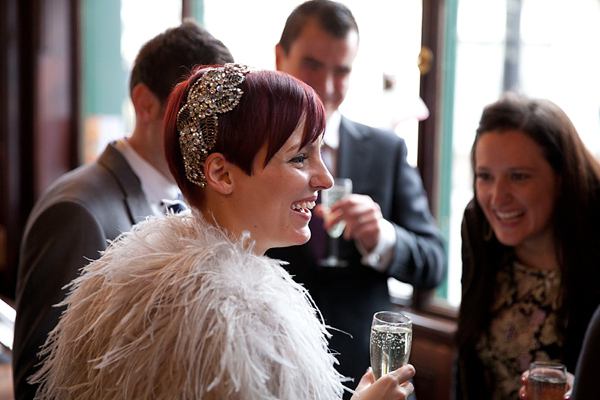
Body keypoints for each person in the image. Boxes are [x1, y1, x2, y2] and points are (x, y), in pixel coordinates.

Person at [29, 64, 416, 399]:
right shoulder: (229, 320)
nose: (326, 178)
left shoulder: (151, 271)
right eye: (299, 157)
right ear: (221, 174)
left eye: (319, 153)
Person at [12, 21, 234, 400]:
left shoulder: (198, 201)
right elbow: (38, 380)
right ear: (146, 104)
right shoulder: (77, 212)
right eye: (196, 116)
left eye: (220, 117)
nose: (213, 133)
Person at [267, 0, 446, 389]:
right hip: (277, 371)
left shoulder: (386, 151)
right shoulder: (255, 157)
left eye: (342, 71)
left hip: (369, 372)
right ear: (280, 57)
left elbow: (435, 261)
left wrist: (383, 238)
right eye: (312, 65)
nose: (327, 87)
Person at [457, 93, 600, 400]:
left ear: (562, 178)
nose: (497, 197)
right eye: (485, 176)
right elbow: (467, 362)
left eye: (518, 177)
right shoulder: (477, 227)